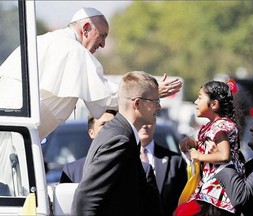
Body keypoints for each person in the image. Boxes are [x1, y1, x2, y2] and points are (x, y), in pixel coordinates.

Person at [0, 7, 182, 141]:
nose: (102, 44)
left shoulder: (43, 41)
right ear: (86, 28)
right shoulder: (74, 50)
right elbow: (108, 96)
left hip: (15, 132)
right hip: (15, 137)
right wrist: (151, 92)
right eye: (102, 36)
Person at [72, 71, 163, 216]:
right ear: (137, 103)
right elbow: (85, 200)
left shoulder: (119, 132)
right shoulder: (120, 139)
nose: (159, 107)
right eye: (155, 102)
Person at [175, 81, 244, 216]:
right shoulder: (210, 126)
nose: (196, 102)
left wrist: (199, 156)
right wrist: (193, 144)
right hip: (207, 188)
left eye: (200, 97)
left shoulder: (220, 127)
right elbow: (210, 147)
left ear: (214, 104)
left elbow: (224, 155)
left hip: (218, 192)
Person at [139, 123, 187, 216]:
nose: (144, 125)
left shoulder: (175, 160)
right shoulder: (123, 157)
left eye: (148, 121)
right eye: (141, 121)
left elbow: (183, 201)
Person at [59, 110, 116, 183]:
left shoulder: (130, 165)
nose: (109, 127)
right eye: (103, 124)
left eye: (113, 123)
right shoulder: (72, 172)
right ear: (91, 133)